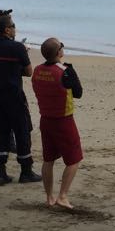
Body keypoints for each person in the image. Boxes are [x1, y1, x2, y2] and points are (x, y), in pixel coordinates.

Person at [0, 13, 41, 186]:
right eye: (13, 26)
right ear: (7, 29)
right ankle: (26, 171)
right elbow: (29, 71)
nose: (15, 29)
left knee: (1, 133)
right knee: (22, 132)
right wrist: (16, 68)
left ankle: (0, 172)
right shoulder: (17, 48)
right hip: (14, 95)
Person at [31, 37, 84, 209]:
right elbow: (78, 93)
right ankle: (62, 195)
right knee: (74, 159)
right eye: (61, 46)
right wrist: (71, 74)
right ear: (58, 52)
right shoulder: (64, 71)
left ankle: (49, 197)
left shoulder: (38, 70)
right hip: (63, 119)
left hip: (46, 118)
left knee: (49, 159)